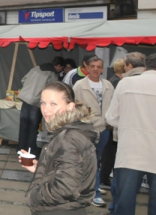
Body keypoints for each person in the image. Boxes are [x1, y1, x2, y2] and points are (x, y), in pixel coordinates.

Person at [20, 82, 97, 214]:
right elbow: (72, 172)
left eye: (53, 104)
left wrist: (33, 196)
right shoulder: (70, 132)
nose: (45, 109)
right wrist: (41, 169)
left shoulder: (68, 138)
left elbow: (66, 188)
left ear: (70, 106)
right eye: (43, 103)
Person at [105, 52, 156, 215]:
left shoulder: (126, 83)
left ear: (145, 67)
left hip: (130, 151)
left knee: (124, 203)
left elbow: (111, 118)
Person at [73, 56, 114, 208]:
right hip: (87, 128)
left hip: (104, 128)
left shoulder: (108, 85)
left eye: (99, 66)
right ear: (87, 68)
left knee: (97, 159)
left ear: (102, 69)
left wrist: (110, 121)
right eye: (93, 66)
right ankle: (93, 191)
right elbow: (72, 106)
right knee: (89, 160)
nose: (96, 69)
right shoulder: (79, 85)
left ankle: (91, 187)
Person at [17, 56, 64, 158]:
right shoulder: (52, 74)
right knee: (33, 128)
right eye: (61, 68)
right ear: (58, 66)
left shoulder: (36, 68)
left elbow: (23, 80)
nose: (61, 71)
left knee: (24, 126)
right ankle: (31, 151)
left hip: (25, 99)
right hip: (36, 102)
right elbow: (52, 90)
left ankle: (21, 149)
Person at [100, 58, 125, 191]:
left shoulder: (112, 80)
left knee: (108, 153)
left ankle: (104, 177)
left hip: (110, 123)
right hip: (112, 124)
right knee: (109, 153)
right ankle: (104, 178)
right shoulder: (118, 82)